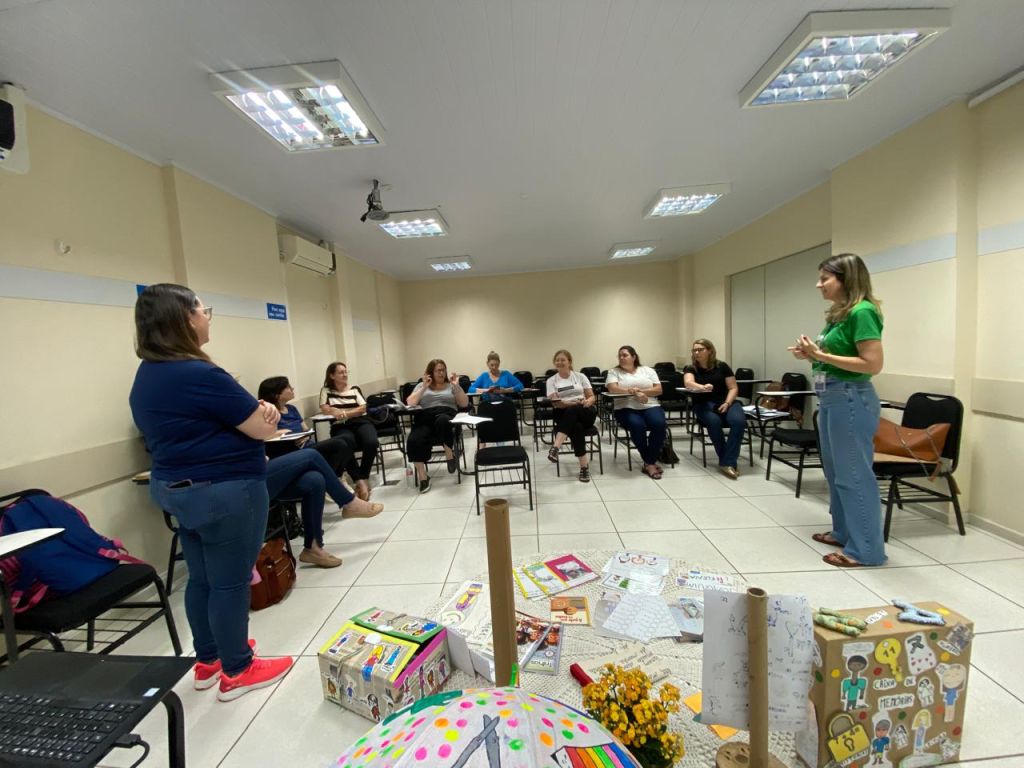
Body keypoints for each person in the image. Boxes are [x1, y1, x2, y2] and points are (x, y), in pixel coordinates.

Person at [129, 283, 292, 701]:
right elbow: (260, 428)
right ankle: (238, 668)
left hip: (179, 491)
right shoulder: (200, 373)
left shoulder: (148, 374)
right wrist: (268, 413)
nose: (208, 318)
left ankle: (209, 659)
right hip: (225, 492)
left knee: (201, 578)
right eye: (204, 311)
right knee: (230, 583)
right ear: (186, 319)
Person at [791, 252, 885, 568]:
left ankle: (866, 550)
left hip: (850, 398)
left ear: (845, 279)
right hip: (831, 396)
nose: (819, 285)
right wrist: (811, 355)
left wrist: (821, 355)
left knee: (854, 475)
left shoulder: (863, 311)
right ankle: (844, 532)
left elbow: (872, 364)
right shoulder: (838, 315)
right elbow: (836, 357)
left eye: (824, 279)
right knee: (836, 474)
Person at [264, 449, 383, 568]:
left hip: (261, 469)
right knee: (312, 455)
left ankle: (313, 547)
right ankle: (349, 502)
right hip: (253, 479)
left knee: (315, 480)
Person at [258, 375, 354, 478]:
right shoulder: (269, 414)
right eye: (288, 387)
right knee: (339, 444)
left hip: (307, 445)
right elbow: (263, 437)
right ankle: (333, 478)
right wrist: (281, 433)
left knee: (348, 438)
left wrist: (305, 436)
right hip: (292, 450)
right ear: (277, 395)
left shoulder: (292, 409)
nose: (292, 389)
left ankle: (336, 477)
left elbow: (306, 430)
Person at [683, 339, 745, 479]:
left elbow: (733, 387)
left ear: (710, 350)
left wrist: (727, 403)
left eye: (700, 349)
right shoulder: (691, 368)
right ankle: (728, 462)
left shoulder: (722, 366)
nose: (697, 352)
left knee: (739, 422)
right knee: (714, 422)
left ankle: (726, 461)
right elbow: (688, 382)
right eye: (694, 350)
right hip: (703, 404)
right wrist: (702, 387)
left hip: (726, 402)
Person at [405, 358, 469, 493]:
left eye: (443, 370)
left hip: (446, 415)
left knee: (443, 420)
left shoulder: (451, 385)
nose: (441, 373)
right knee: (413, 439)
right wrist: (424, 387)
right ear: (431, 373)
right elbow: (410, 402)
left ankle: (449, 454)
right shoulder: (422, 385)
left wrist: (456, 386)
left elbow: (464, 403)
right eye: (438, 371)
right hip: (426, 418)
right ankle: (423, 477)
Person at [604, 345, 667, 479]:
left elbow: (658, 390)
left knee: (659, 424)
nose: (621, 358)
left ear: (634, 357)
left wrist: (640, 392)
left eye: (625, 355)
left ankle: (649, 461)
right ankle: (650, 462)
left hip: (650, 405)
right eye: (619, 356)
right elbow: (612, 388)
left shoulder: (647, 370)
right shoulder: (614, 372)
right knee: (637, 426)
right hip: (625, 407)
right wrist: (632, 392)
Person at [319, 362, 380, 501]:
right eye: (341, 372)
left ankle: (364, 477)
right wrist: (348, 411)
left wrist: (345, 413)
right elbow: (325, 409)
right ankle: (359, 482)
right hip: (340, 426)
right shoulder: (326, 390)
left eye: (346, 371)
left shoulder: (354, 389)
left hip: (361, 422)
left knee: (371, 442)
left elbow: (363, 408)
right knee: (345, 444)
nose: (345, 374)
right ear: (332, 375)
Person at [545, 349, 597, 482]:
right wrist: (573, 403)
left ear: (569, 362)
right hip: (562, 413)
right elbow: (557, 403)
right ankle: (584, 468)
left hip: (584, 411)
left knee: (574, 411)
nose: (559, 362)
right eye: (557, 360)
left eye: (563, 360)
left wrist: (587, 402)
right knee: (576, 427)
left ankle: (555, 447)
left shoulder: (580, 376)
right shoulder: (551, 381)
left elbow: (592, 397)